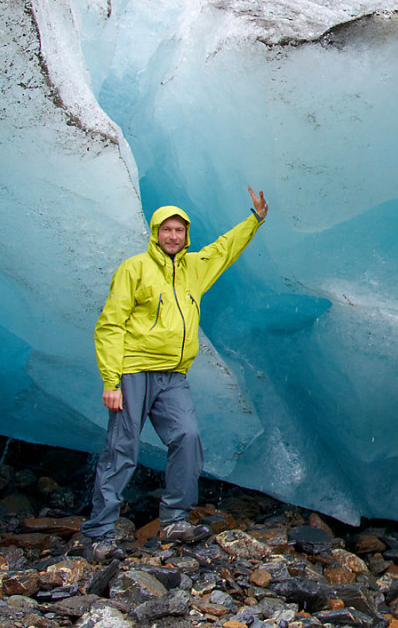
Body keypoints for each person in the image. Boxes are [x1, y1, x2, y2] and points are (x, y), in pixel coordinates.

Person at [80, 186, 268, 560]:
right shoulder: (135, 268)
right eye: (166, 229)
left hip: (173, 376)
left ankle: (175, 519)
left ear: (185, 235)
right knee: (122, 451)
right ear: (155, 232)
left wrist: (255, 220)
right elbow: (110, 325)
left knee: (188, 437)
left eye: (179, 230)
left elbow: (224, 249)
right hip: (133, 371)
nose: (172, 236)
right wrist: (111, 381)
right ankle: (98, 534)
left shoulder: (194, 269)